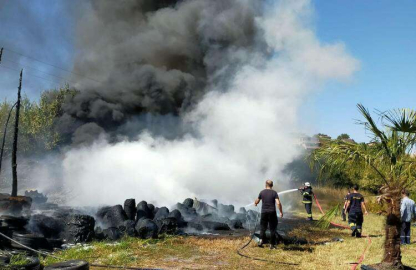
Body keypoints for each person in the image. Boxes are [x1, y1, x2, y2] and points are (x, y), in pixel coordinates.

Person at [254, 180, 283, 249]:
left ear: (265, 185)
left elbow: (257, 201)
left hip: (264, 212)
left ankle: (261, 241)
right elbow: (278, 203)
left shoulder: (262, 192)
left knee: (263, 227)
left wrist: (255, 203)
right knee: (272, 228)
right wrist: (281, 212)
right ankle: (271, 245)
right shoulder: (274, 193)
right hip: (272, 212)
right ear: (272, 185)